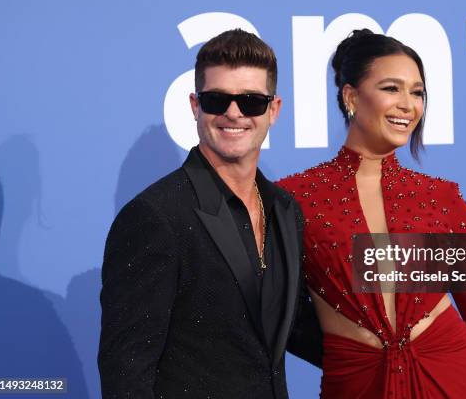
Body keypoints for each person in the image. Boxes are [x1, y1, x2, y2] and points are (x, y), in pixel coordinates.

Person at [278, 29, 466, 398]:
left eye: (418, 92)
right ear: (351, 96)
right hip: (357, 384)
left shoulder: (442, 197)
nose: (408, 104)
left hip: (456, 381)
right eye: (392, 88)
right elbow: (281, 318)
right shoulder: (295, 198)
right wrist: (346, 353)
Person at [98, 29, 321, 399]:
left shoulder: (285, 210)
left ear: (274, 110)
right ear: (195, 106)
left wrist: (389, 349)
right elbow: (127, 373)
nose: (234, 113)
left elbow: (290, 324)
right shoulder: (155, 218)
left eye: (251, 102)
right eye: (217, 100)